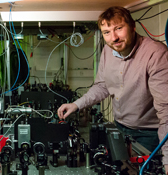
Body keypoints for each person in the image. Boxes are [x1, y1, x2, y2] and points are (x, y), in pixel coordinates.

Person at [57, 6, 168, 173]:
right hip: (119, 129)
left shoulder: (155, 54)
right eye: (106, 32)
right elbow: (102, 86)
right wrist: (76, 104)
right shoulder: (108, 51)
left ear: (132, 27)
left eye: (119, 28)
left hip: (148, 135)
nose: (113, 38)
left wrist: (167, 158)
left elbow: (166, 109)